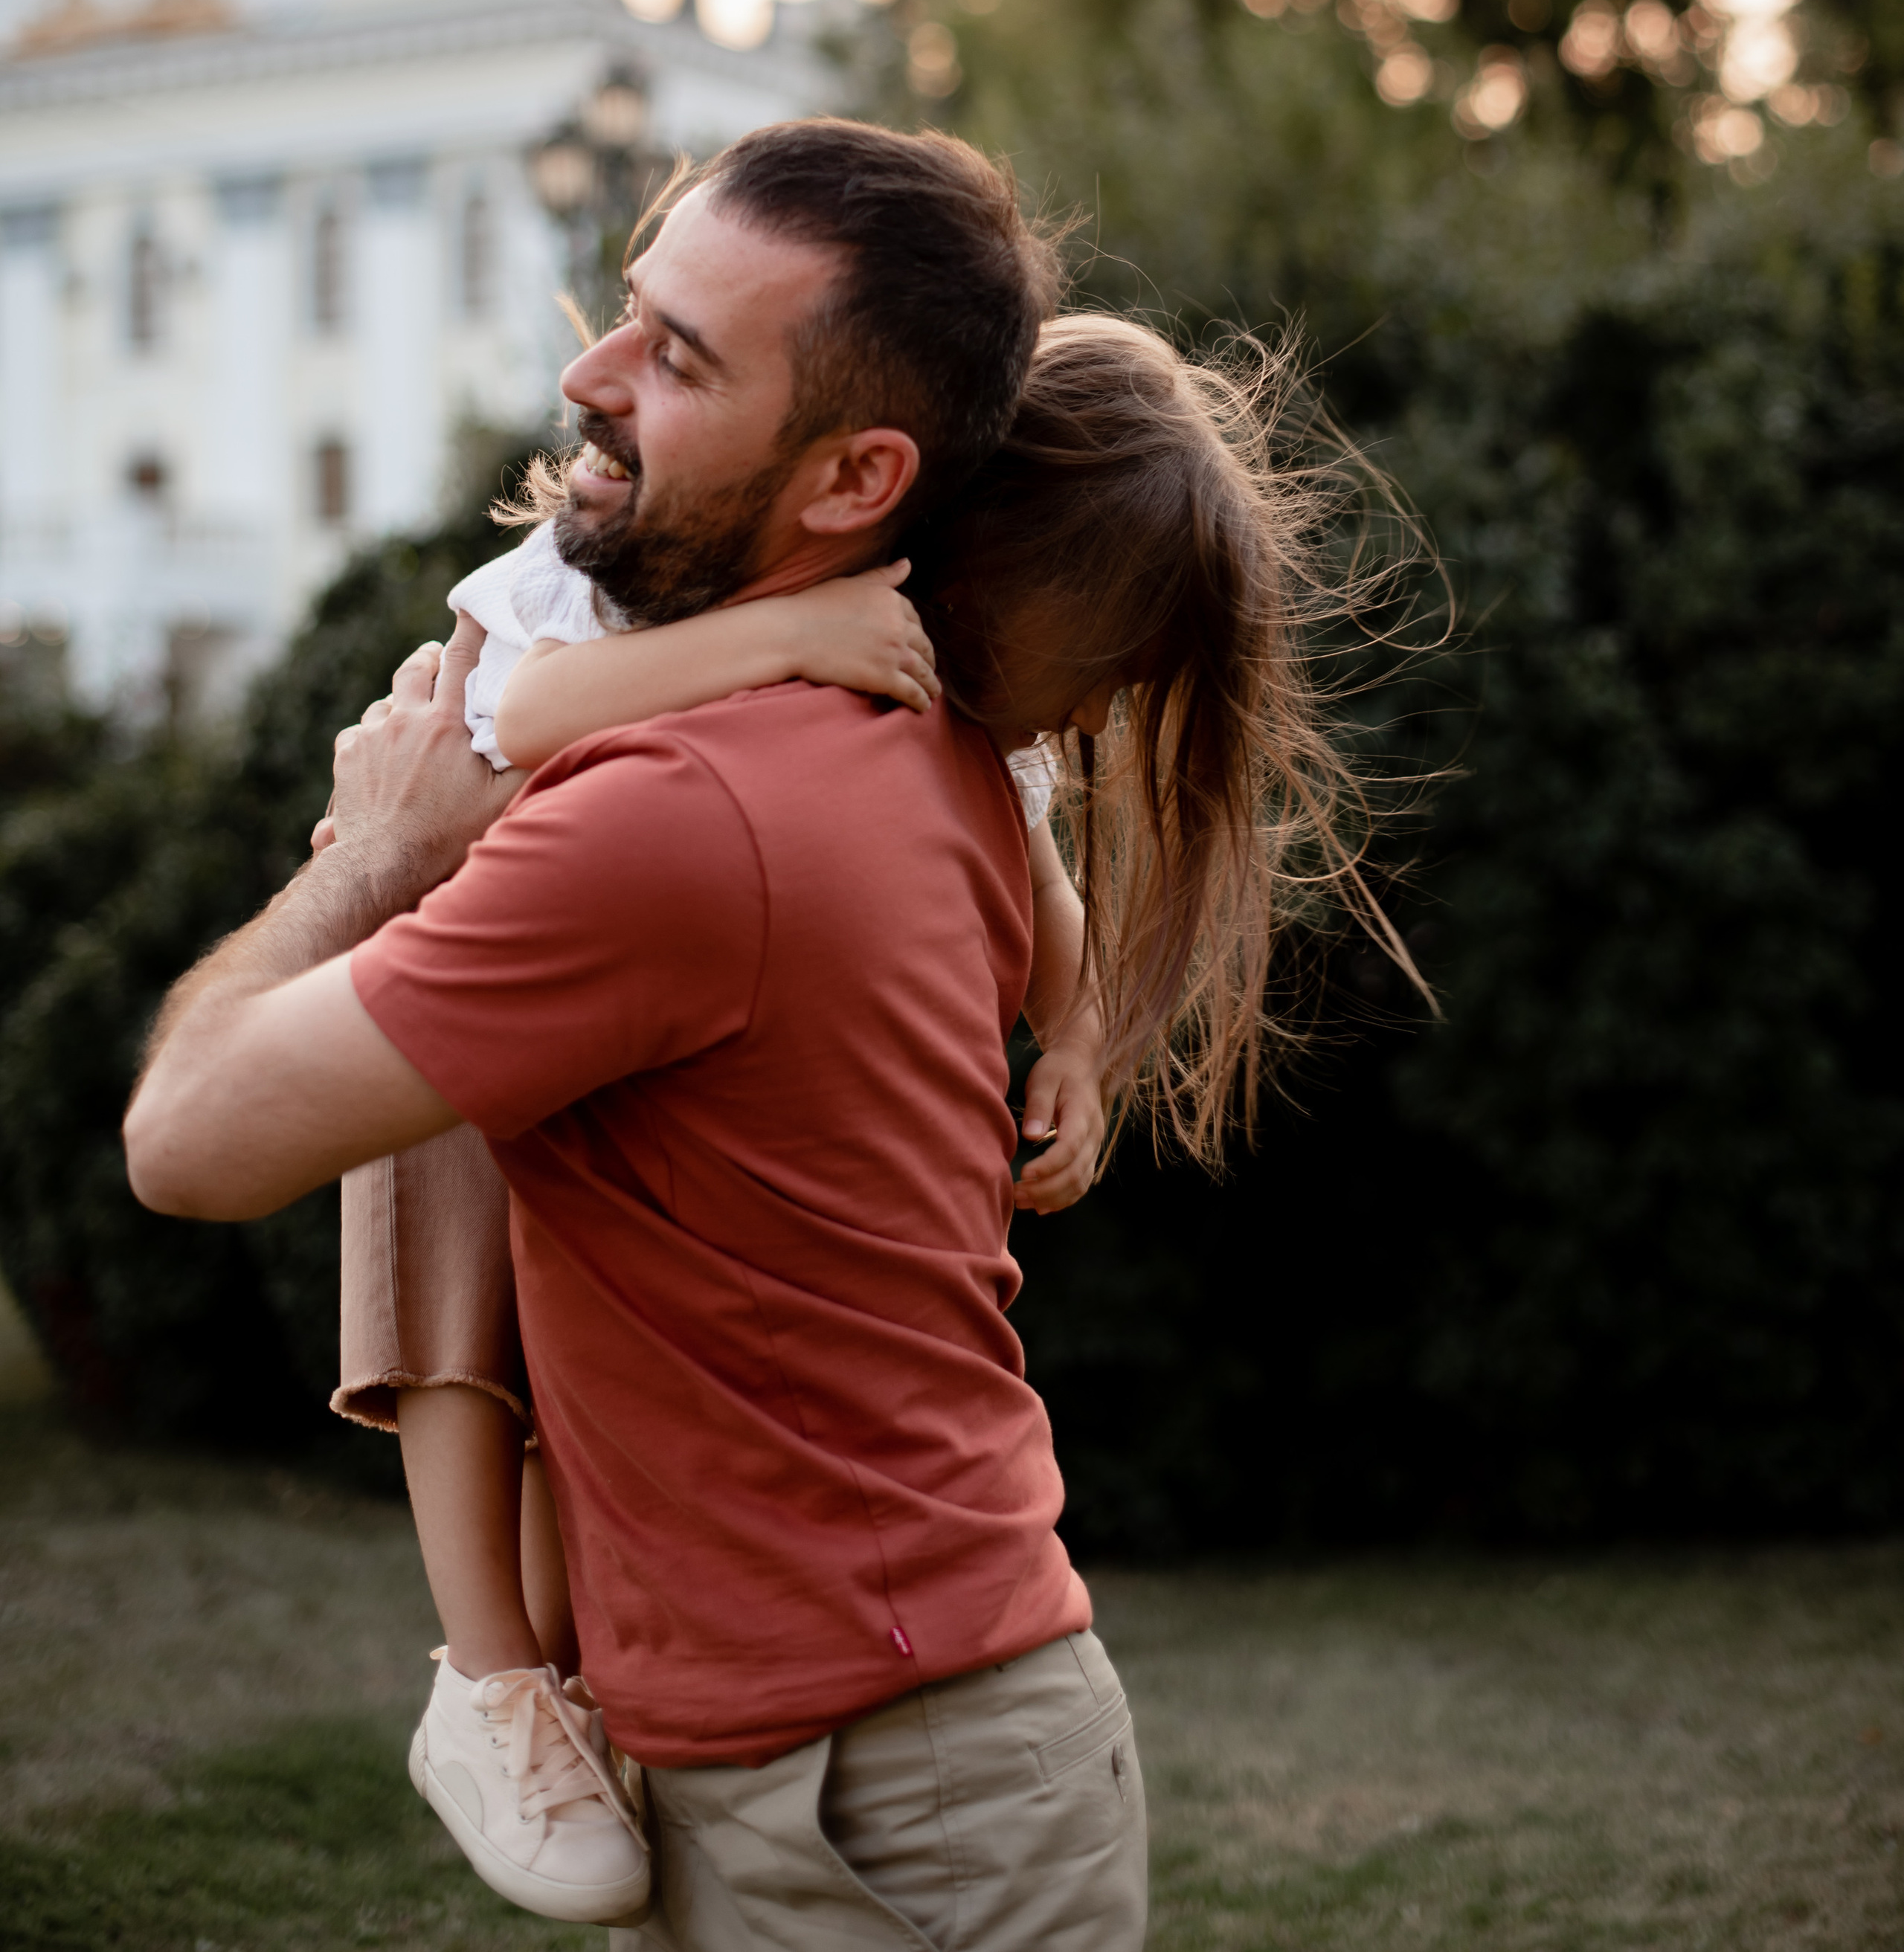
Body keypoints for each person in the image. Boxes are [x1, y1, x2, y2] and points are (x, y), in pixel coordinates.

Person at [126, 120, 1412, 1952]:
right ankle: (510, 1679)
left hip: (876, 1777)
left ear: (857, 480)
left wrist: (390, 858)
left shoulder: (686, 814)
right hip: (866, 1729)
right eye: (628, 314)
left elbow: (184, 1142)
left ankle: (490, 1682)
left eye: (678, 353)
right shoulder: (924, 754)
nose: (588, 373)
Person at [329, 544, 1102, 1928]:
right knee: (463, 1322)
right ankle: (490, 1676)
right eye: (1095, 671)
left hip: (649, 1069)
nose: (1094, 721)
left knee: (594, 1405)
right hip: (480, 989)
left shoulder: (927, 693)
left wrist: (1085, 1043)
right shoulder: (594, 577)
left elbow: (1050, 900)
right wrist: (793, 634)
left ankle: (556, 1689)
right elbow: (517, 715)